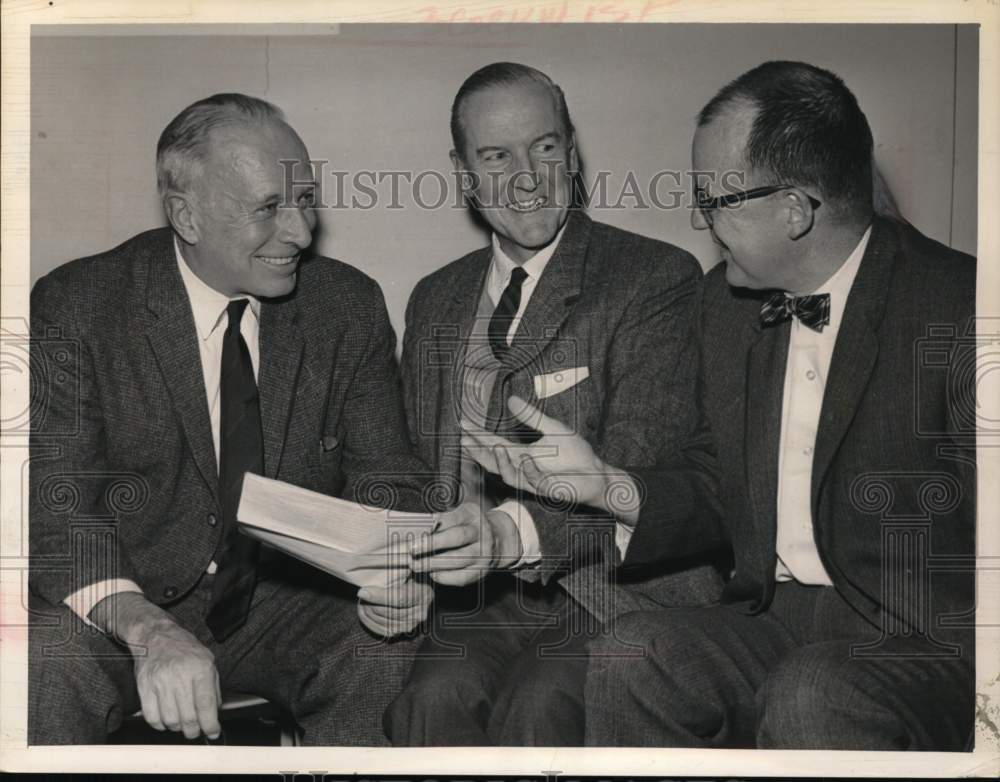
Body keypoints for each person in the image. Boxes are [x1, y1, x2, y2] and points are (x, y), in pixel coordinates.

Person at [467, 61, 976, 750]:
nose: (698, 217)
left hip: (928, 637)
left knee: (816, 693)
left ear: (794, 210)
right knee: (631, 653)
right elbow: (714, 480)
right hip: (775, 615)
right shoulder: (725, 305)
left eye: (713, 200)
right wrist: (607, 485)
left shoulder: (966, 308)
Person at [29, 93, 436, 745]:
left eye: (305, 199)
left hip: (277, 602)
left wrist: (398, 569)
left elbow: (391, 480)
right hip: (125, 604)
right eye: (270, 209)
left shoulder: (347, 306)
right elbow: (57, 511)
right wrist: (147, 629)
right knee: (40, 660)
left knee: (394, 649)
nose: (302, 232)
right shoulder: (78, 307)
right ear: (186, 215)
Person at [385, 62, 722, 746]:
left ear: (572, 151)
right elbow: (420, 472)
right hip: (481, 597)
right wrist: (393, 564)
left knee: (541, 706)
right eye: (495, 156)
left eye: (544, 147)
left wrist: (511, 535)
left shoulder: (653, 278)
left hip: (616, 586)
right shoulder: (434, 298)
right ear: (463, 173)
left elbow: (637, 465)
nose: (527, 177)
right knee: (430, 701)